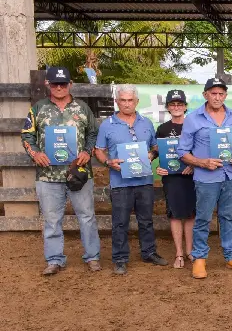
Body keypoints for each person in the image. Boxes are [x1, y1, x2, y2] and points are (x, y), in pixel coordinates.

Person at [21, 66, 101, 275]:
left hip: (79, 173)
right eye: (55, 83)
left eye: (63, 83)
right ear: (48, 84)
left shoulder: (83, 108)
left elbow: (94, 134)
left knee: (87, 217)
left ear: (70, 84)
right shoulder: (38, 108)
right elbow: (26, 136)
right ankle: (54, 259)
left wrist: (87, 151)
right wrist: (36, 154)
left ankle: (92, 256)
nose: (59, 87)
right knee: (51, 219)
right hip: (47, 175)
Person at [178, 78, 232, 279]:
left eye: (221, 94)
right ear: (205, 95)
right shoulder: (193, 118)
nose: (217, 97)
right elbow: (182, 151)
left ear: (225, 96)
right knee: (203, 218)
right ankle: (199, 258)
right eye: (213, 93)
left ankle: (231, 255)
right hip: (206, 177)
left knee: (228, 216)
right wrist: (202, 163)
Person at [95, 84, 167, 275]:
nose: (127, 104)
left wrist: (152, 155)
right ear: (117, 102)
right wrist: (109, 162)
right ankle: (120, 258)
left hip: (144, 181)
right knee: (120, 222)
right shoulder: (107, 124)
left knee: (146, 220)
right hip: (120, 182)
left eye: (130, 100)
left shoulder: (146, 123)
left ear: (137, 101)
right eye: (123, 100)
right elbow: (99, 150)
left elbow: (155, 146)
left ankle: (149, 252)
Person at [155, 89, 195, 269]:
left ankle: (190, 251)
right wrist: (159, 167)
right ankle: (179, 253)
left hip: (192, 176)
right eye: (173, 104)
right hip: (171, 179)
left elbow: (201, 150)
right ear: (168, 107)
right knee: (175, 215)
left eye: (180, 104)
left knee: (191, 214)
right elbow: (157, 153)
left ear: (185, 107)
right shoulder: (163, 129)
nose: (176, 107)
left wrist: (194, 165)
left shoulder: (194, 125)